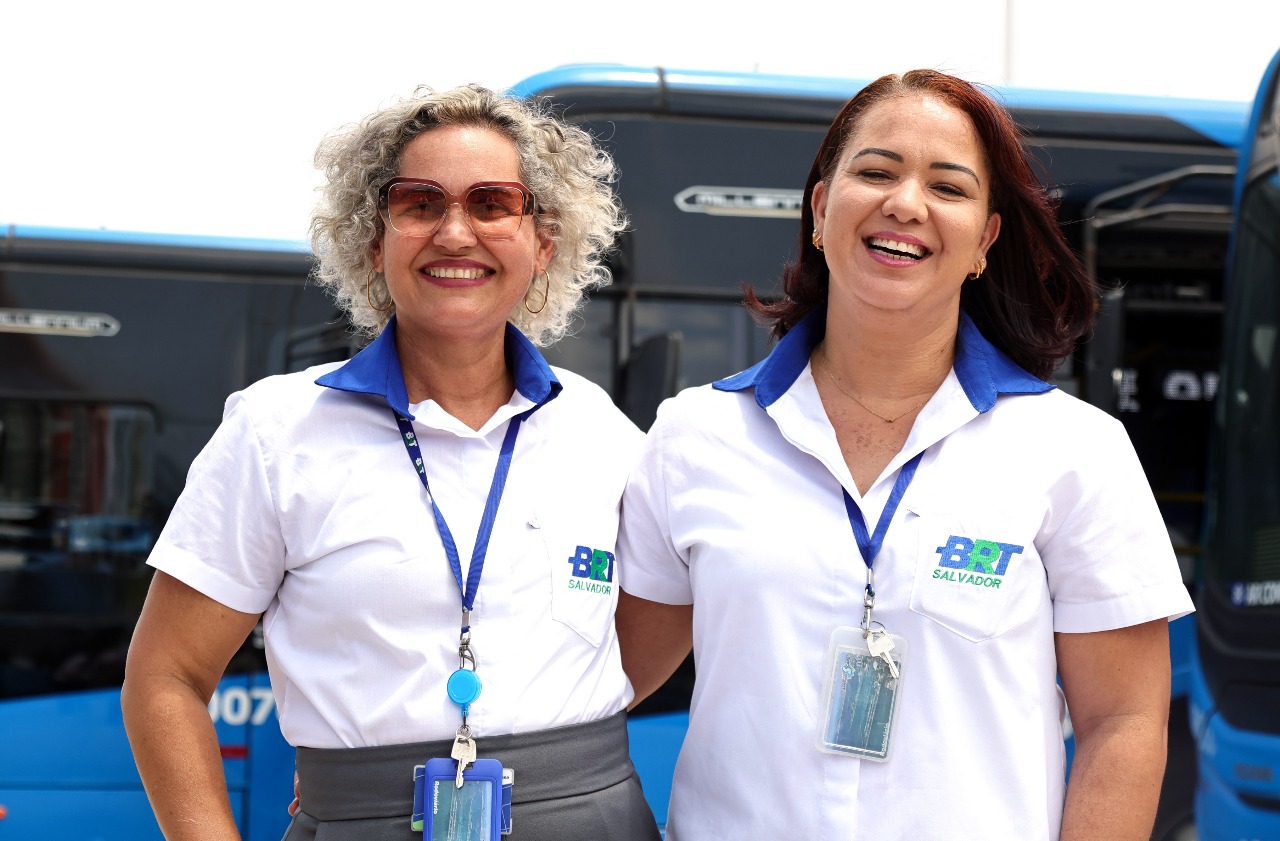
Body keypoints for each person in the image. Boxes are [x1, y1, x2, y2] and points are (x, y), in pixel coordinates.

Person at [615, 69, 1194, 841]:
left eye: (948, 187)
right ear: (821, 209)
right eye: (876, 172)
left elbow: (1123, 721)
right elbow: (601, 677)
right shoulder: (697, 435)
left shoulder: (1074, 449)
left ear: (984, 240)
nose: (906, 203)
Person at [122, 84, 661, 841]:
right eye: (418, 203)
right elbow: (165, 677)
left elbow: (659, 620)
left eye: (492, 203)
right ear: (374, 242)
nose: (455, 232)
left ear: (543, 242)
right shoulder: (277, 433)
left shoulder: (601, 430)